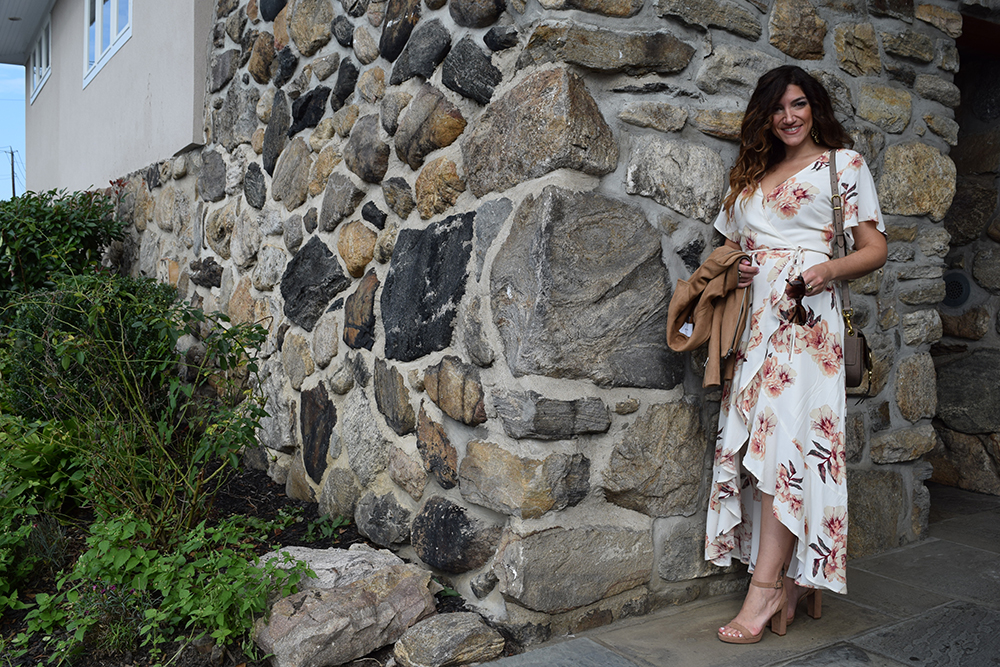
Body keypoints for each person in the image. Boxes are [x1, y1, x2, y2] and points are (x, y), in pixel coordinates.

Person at [704, 65, 887, 644]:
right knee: (762, 448)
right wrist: (738, 267)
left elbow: (874, 248)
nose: (789, 117)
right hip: (753, 327)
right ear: (765, 116)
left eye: (799, 104)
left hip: (806, 321)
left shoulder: (842, 165)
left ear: (815, 108)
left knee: (784, 447)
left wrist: (827, 270)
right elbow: (727, 248)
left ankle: (765, 592)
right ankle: (792, 581)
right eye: (778, 108)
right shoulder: (750, 174)